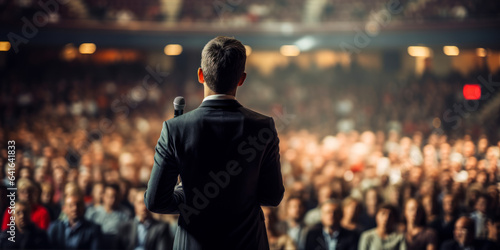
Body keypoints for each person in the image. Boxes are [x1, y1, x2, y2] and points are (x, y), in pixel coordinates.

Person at [144, 36, 284, 250]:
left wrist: (186, 192)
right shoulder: (263, 127)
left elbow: (156, 201)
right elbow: (272, 196)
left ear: (200, 75)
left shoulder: (175, 129)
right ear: (241, 78)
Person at [85, 183, 130, 248]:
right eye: (110, 196)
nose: (113, 200)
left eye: (116, 197)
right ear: (103, 196)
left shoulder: (125, 214)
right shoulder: (92, 212)